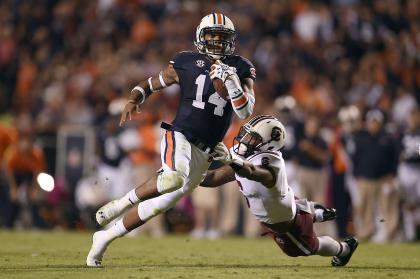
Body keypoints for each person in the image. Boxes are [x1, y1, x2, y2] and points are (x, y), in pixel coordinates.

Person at [87, 13, 256, 267]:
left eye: (222, 37)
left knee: (159, 205)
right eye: (212, 36)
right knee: (172, 177)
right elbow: (151, 84)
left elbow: (245, 111)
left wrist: (232, 83)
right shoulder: (185, 61)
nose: (217, 42)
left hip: (207, 149)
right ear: (201, 36)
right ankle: (120, 203)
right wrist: (134, 98)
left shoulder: (241, 67)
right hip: (180, 134)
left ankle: (104, 238)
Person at [201, 115, 358, 266]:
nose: (245, 139)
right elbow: (215, 177)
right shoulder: (241, 154)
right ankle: (313, 211)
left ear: (268, 143)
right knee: (293, 208)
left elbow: (254, 173)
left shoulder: (271, 162)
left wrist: (232, 160)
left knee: (307, 248)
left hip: (285, 222)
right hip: (283, 204)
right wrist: (188, 178)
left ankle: (344, 249)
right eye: (247, 134)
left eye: (253, 137)